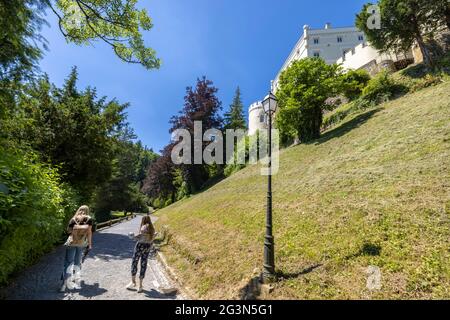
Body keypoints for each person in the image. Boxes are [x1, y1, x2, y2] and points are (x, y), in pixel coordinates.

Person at [60, 205, 93, 292]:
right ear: (87, 211)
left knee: (68, 263)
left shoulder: (73, 219)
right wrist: (90, 244)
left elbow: (68, 231)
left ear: (79, 210)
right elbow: (89, 233)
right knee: (77, 263)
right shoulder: (89, 219)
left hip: (71, 243)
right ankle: (75, 281)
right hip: (81, 243)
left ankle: (64, 284)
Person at [126, 215, 155, 293]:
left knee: (134, 263)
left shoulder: (143, 227)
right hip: (147, 248)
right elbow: (152, 241)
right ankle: (140, 286)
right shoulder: (152, 229)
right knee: (143, 264)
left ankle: (133, 282)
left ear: (143, 220)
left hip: (140, 247)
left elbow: (138, 237)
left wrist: (132, 236)